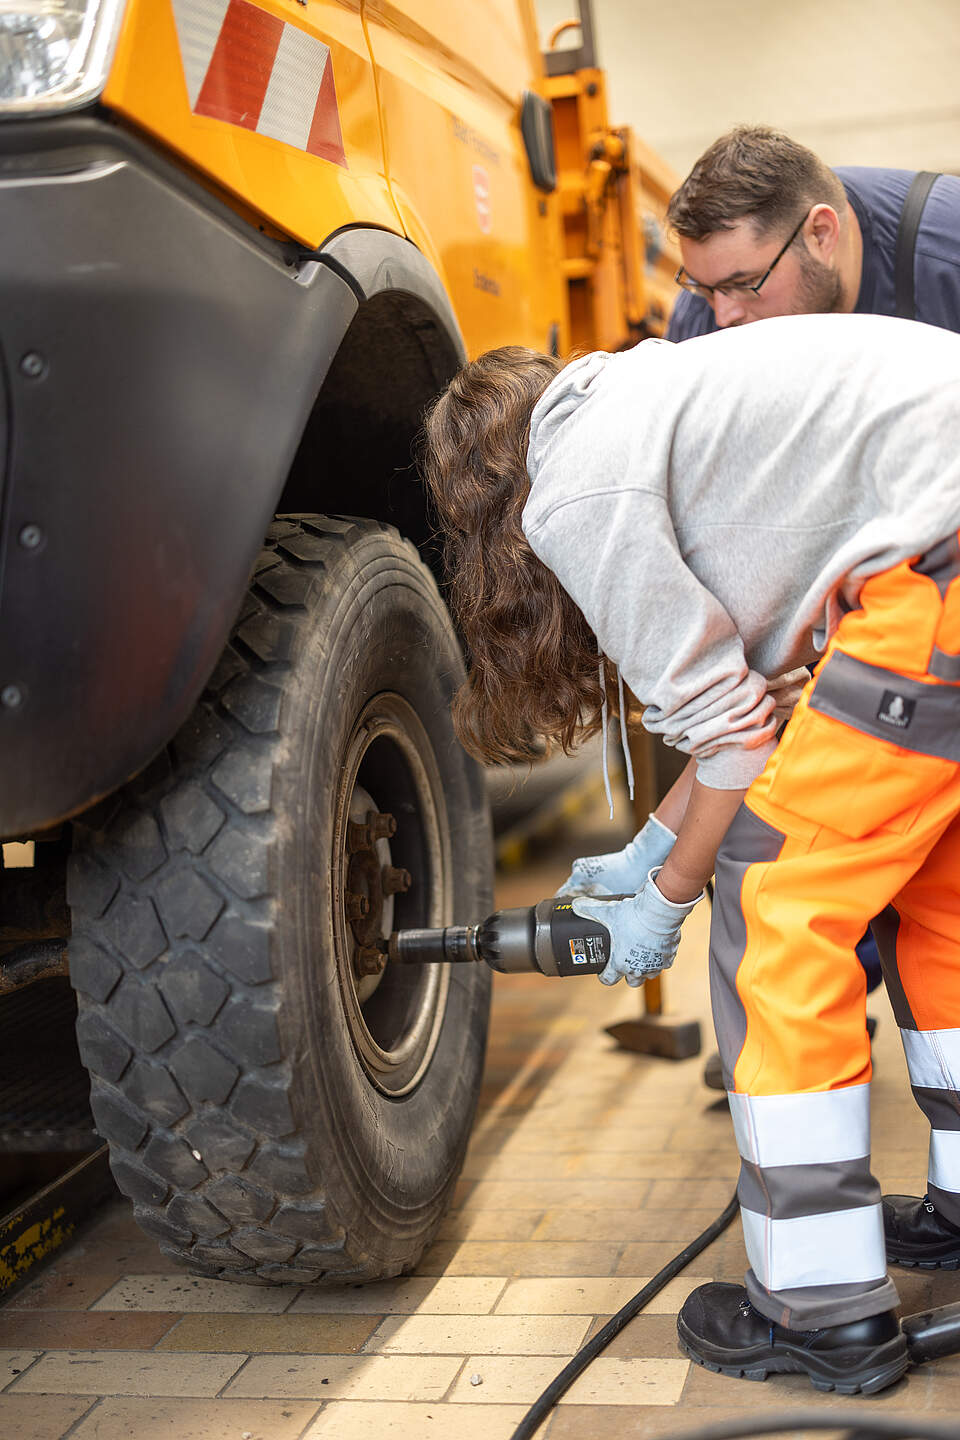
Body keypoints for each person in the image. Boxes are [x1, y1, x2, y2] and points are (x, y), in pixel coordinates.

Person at [420, 312, 960, 1395]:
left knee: (777, 926)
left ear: (483, 499)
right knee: (940, 909)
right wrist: (650, 852)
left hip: (930, 582)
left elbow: (733, 738)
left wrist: (665, 897)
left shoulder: (571, 493)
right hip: (939, 568)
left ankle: (819, 1313)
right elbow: (742, 705)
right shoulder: (647, 401)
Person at [665, 125, 960, 342]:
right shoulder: (699, 313)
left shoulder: (947, 251)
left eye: (745, 283)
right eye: (704, 289)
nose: (723, 316)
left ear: (821, 234)